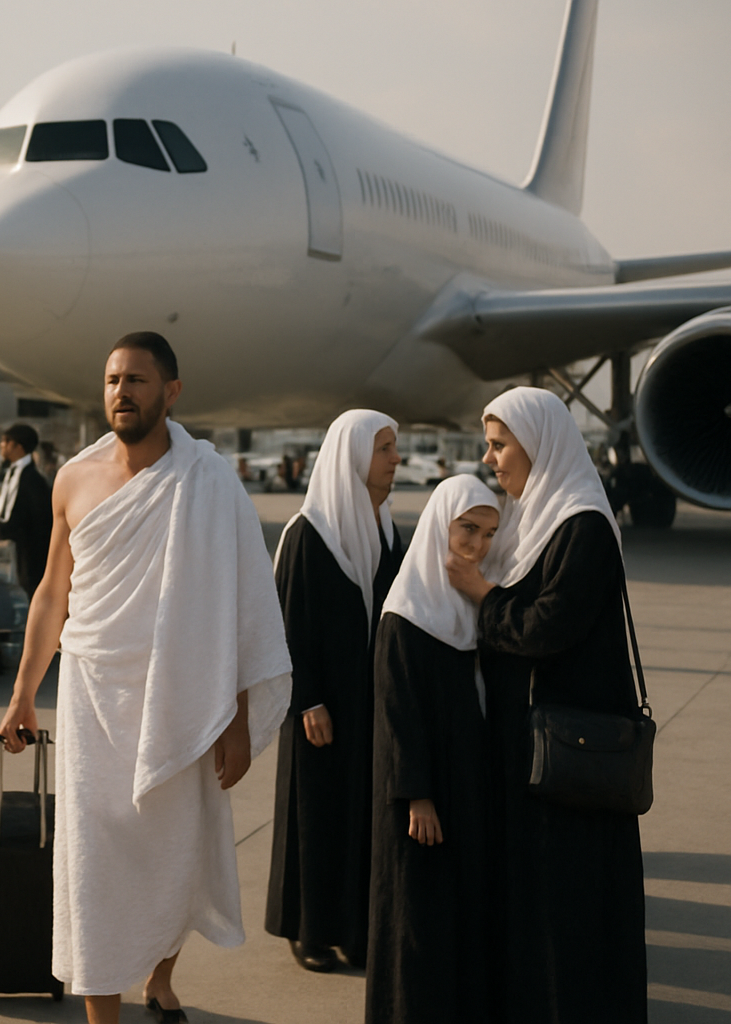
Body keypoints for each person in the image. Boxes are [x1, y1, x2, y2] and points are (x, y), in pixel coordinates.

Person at [0, 332, 293, 1024]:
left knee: (174, 857)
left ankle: (160, 978)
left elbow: (244, 605)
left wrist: (241, 720)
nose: (121, 392)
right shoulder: (72, 478)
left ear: (171, 392)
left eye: (135, 379)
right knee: (94, 864)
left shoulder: (210, 481)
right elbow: (51, 593)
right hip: (93, 696)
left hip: (183, 696)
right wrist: (22, 694)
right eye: (111, 380)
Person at [446, 386, 646, 1022]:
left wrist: (483, 596)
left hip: (571, 754)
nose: (491, 457)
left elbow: (544, 630)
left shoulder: (582, 523)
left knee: (572, 900)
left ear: (538, 444)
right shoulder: (533, 520)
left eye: (501, 444)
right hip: (534, 755)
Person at [265, 409, 404, 972]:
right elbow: (289, 625)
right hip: (320, 708)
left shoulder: (388, 530)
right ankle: (310, 929)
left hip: (370, 702)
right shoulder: (309, 534)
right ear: (353, 457)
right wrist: (310, 700)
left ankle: (355, 925)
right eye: (386, 449)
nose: (396, 460)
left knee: (362, 813)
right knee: (316, 812)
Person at [365, 475, 498, 1024]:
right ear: (440, 526)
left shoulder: (470, 605)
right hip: (418, 798)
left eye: (489, 533)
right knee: (414, 915)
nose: (477, 544)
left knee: (458, 913)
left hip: (465, 784)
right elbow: (398, 717)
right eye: (467, 528)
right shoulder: (405, 615)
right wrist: (417, 796)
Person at [0, 423, 54, 597]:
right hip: (23, 548)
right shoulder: (15, 473)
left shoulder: (32, 479)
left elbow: (33, 518)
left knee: (35, 589)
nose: (1, 446)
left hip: (35, 551)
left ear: (18, 446)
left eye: (5, 441)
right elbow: (3, 503)